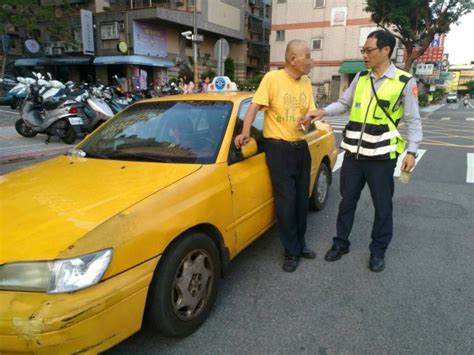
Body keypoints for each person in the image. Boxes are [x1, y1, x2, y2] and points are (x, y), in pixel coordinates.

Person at [304, 30, 423, 272]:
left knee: (382, 206)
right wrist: (322, 111)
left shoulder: (404, 82)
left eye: (369, 50)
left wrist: (411, 152)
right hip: (354, 157)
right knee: (347, 202)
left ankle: (378, 251)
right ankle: (341, 243)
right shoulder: (361, 77)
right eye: (363, 51)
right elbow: (344, 104)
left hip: (381, 159)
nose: (365, 55)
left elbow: (413, 120)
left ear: (385, 50)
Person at [234, 39, 318, 273]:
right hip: (278, 149)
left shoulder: (307, 82)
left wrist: (308, 119)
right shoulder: (272, 79)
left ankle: (301, 245)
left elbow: (311, 111)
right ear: (293, 59)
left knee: (302, 200)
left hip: (301, 147)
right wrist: (245, 132)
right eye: (307, 56)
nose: (310, 60)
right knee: (287, 202)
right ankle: (290, 251)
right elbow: (253, 107)